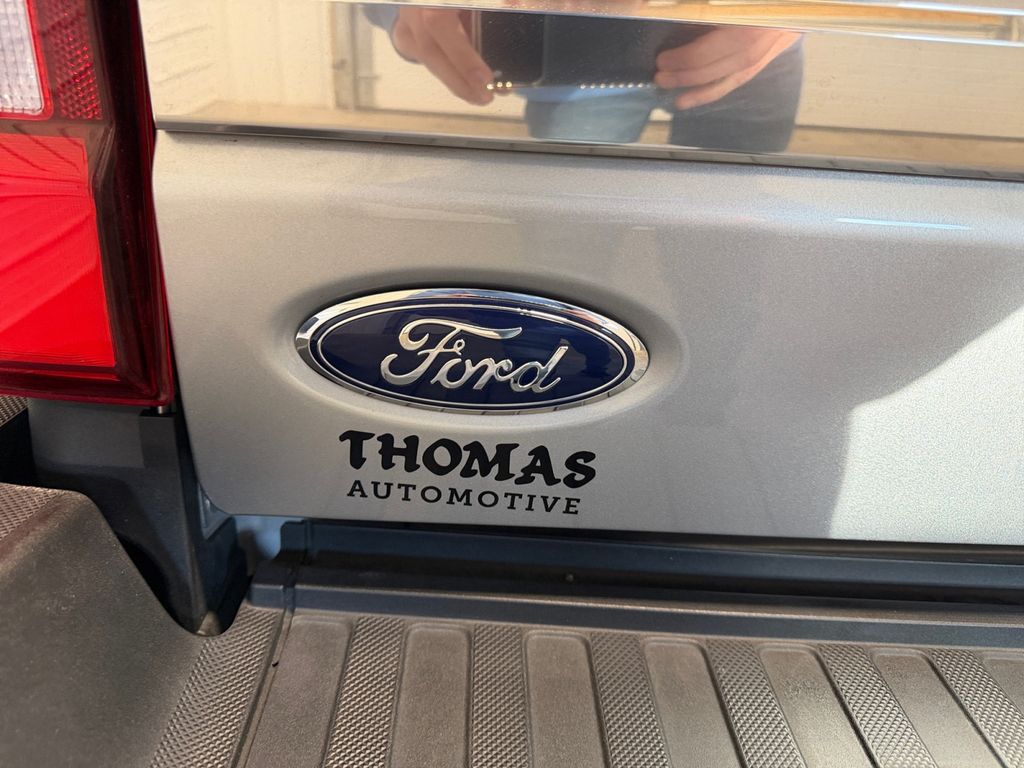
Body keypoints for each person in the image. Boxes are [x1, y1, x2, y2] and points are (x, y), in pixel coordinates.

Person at [367, 6, 803, 152]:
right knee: (565, 253)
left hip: (752, 55)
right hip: (566, 65)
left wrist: (803, 10)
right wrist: (400, 11)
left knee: (732, 257)